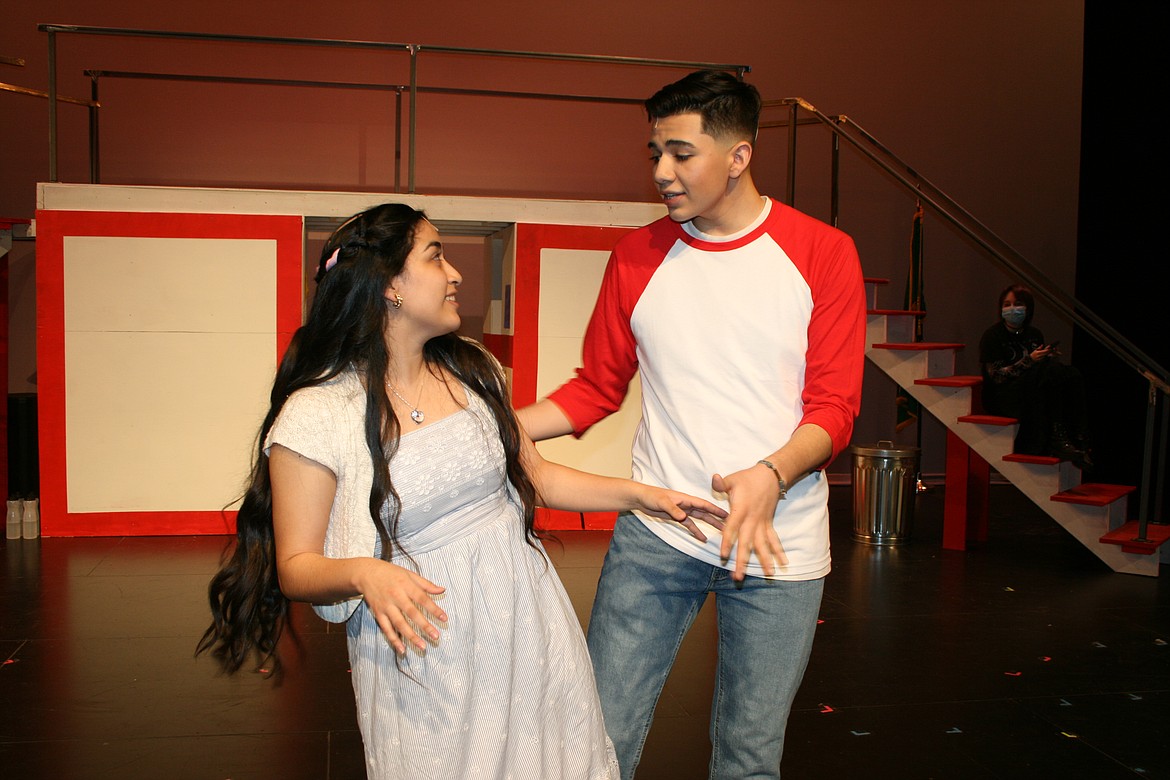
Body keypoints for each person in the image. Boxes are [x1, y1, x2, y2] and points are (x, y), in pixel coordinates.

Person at [196, 203, 729, 780]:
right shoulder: (320, 412)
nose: (455, 273)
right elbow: (296, 566)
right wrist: (365, 574)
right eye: (435, 255)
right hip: (427, 638)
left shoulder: (474, 371)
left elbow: (539, 477)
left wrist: (642, 495)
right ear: (389, 287)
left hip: (526, 613)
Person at [518, 70, 866, 778]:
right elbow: (595, 389)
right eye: (654, 154)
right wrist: (488, 422)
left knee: (748, 754)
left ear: (739, 156)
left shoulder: (822, 253)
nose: (662, 173)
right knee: (598, 736)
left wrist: (771, 474)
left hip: (779, 546)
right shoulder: (638, 256)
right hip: (659, 536)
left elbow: (834, 408)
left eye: (681, 153)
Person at [979, 283, 1093, 469]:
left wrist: (1044, 357)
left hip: (1031, 388)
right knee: (1050, 374)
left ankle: (1079, 437)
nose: (1012, 309)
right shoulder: (993, 336)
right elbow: (997, 376)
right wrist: (1029, 360)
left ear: (1028, 308)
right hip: (1003, 394)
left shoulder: (1034, 334)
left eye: (1017, 304)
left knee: (1070, 374)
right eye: (1007, 304)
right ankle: (1056, 438)